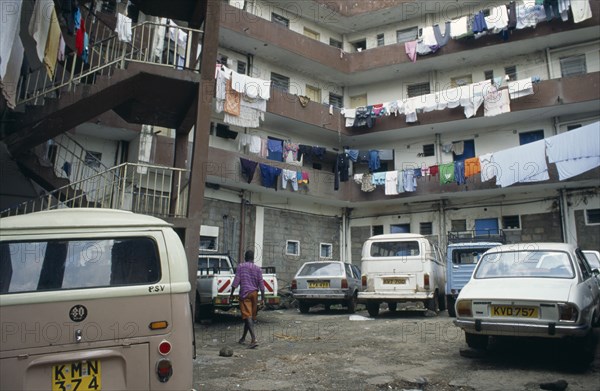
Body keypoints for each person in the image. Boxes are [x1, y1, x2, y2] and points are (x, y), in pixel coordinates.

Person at [230, 250, 264, 349]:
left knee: (247, 316)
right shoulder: (258, 269)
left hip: (245, 295)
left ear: (245, 257)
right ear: (253, 258)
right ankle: (243, 338)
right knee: (249, 317)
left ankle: (254, 340)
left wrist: (231, 294)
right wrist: (262, 298)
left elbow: (236, 281)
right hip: (254, 294)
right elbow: (261, 284)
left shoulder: (241, 266)